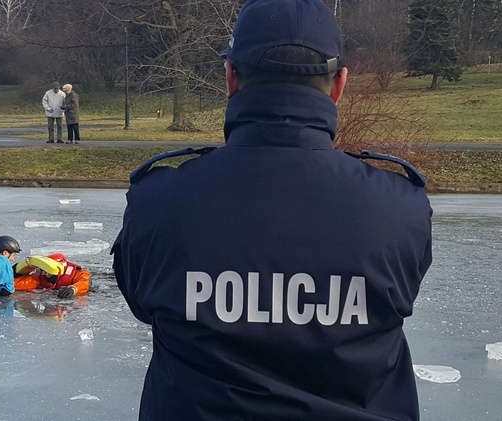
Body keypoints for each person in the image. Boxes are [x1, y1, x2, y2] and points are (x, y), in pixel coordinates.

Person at [111, 0, 433, 420]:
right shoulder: (399, 208)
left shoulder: (158, 201)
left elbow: (141, 303)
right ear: (339, 85)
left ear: (230, 78)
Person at [14, 253, 91, 299]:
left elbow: (84, 283)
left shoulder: (78, 273)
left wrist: (73, 289)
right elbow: (20, 283)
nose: (46, 274)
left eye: (49, 272)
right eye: (45, 271)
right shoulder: (40, 276)